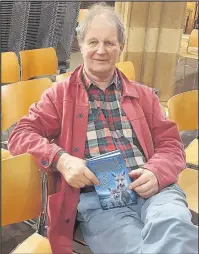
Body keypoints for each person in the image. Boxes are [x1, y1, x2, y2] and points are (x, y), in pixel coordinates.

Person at [8, 3, 198, 254]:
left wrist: (156, 171)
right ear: (81, 45)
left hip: (156, 189)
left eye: (109, 43)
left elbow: (171, 144)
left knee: (174, 229)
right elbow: (20, 134)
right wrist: (61, 160)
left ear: (121, 47)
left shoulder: (143, 95)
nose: (101, 51)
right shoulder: (59, 96)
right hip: (100, 201)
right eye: (93, 42)